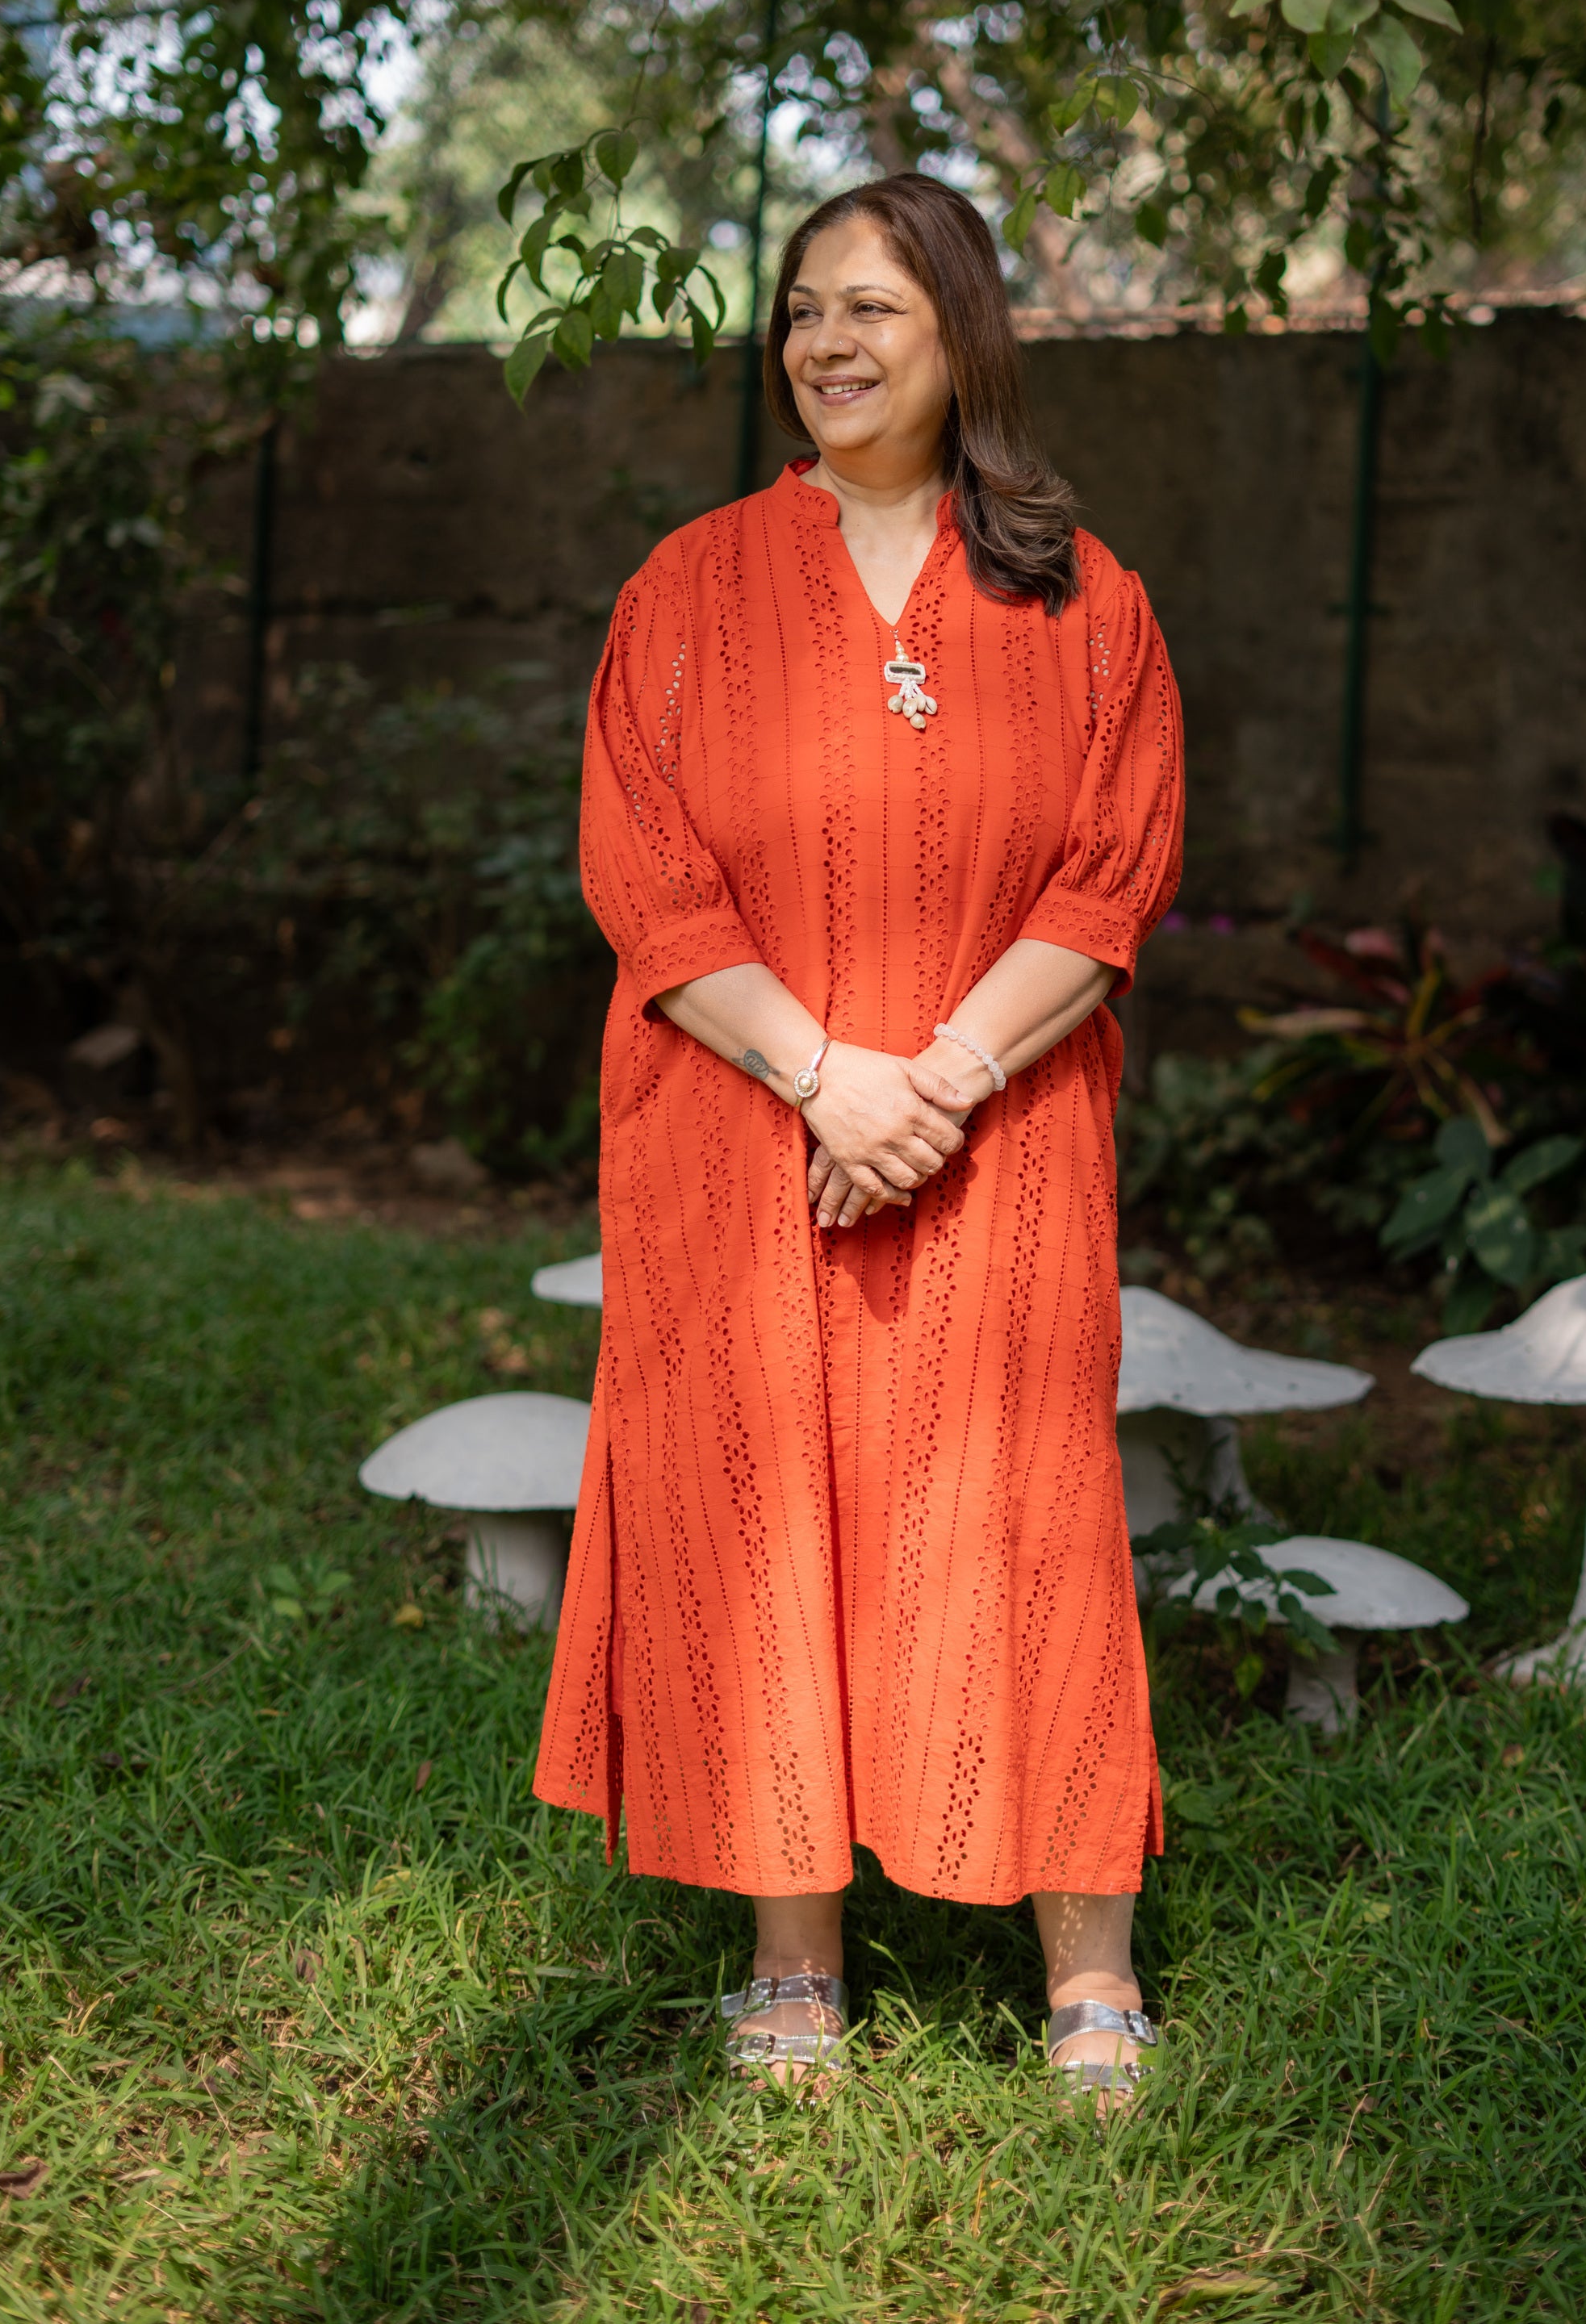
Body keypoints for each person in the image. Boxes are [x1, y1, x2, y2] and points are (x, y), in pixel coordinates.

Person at [534, 172, 1185, 2105]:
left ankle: (1089, 1975)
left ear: (961, 335)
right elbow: (642, 876)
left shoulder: (1084, 602)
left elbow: (1109, 879)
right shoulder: (685, 588)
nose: (824, 342)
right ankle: (791, 1963)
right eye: (803, 308)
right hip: (739, 1136)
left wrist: (935, 1086)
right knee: (765, 1509)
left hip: (1003, 1141)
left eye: (871, 308)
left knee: (1031, 1512)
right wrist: (831, 1079)